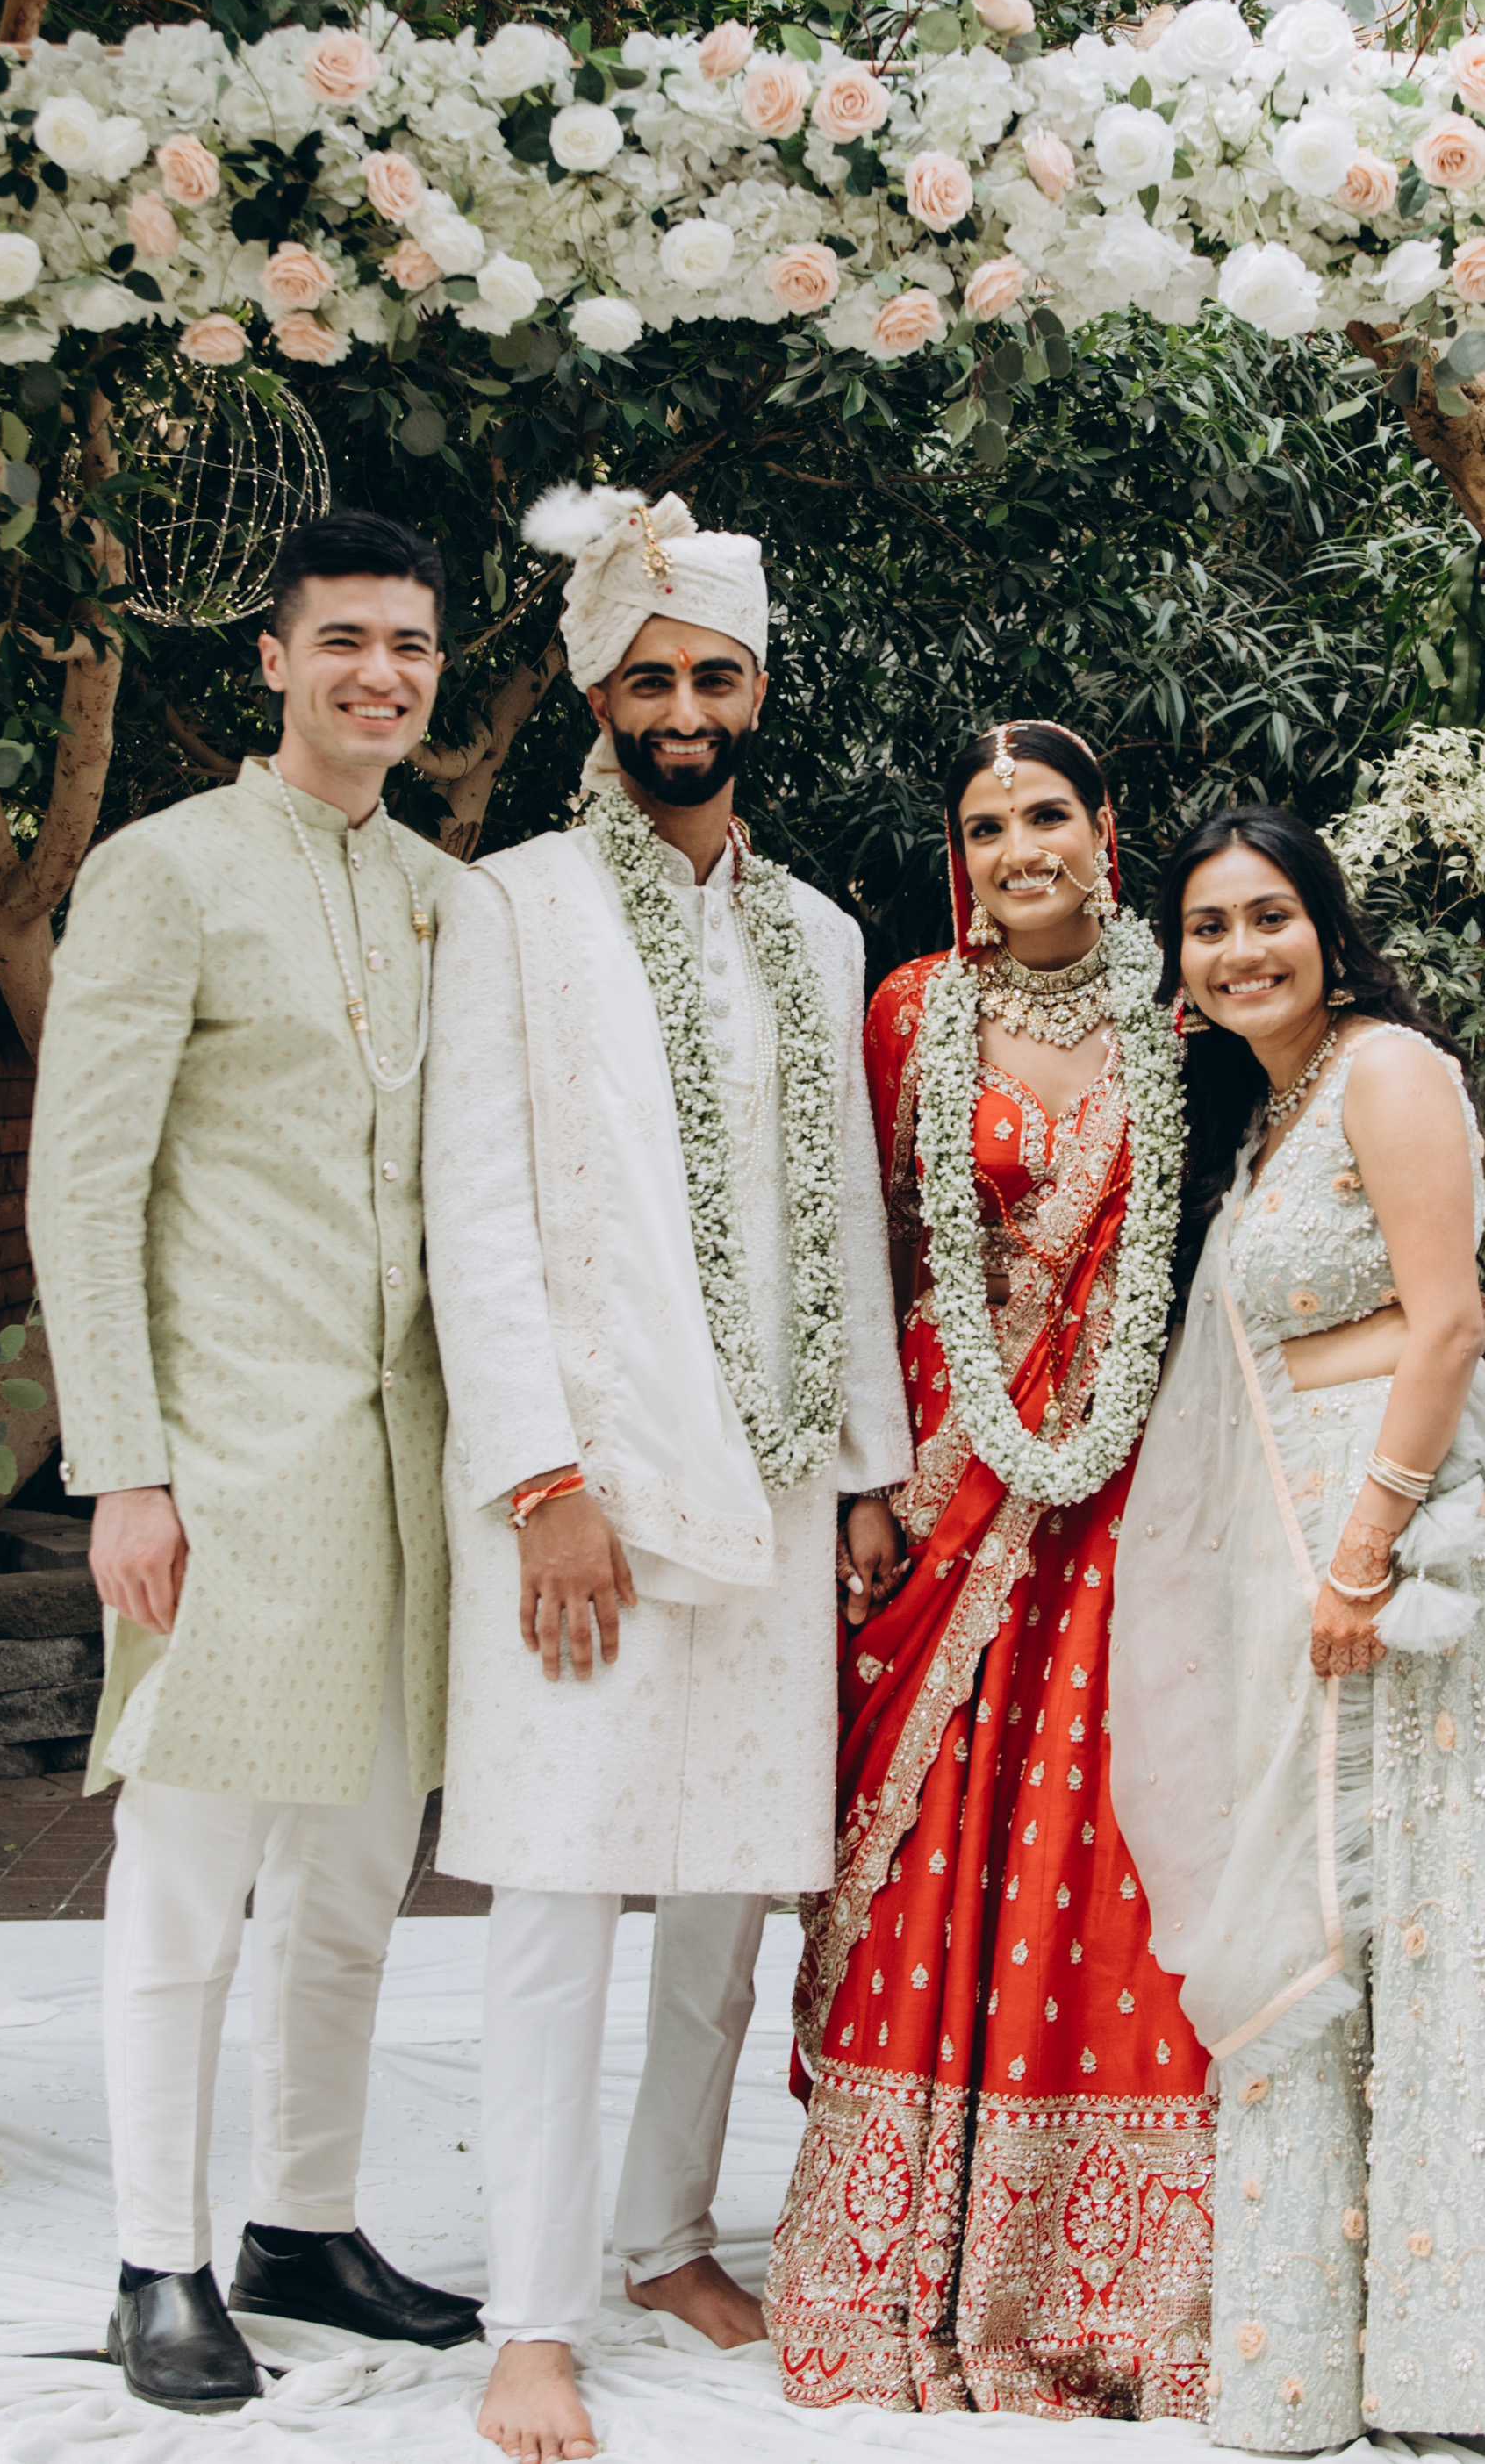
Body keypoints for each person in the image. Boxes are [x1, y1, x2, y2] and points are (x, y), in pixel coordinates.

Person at [1108, 808, 1485, 2451]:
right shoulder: (1272, 1110)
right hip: (1304, 1541)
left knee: (1422, 1902)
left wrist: (1367, 1550)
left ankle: (1472, 2333)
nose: (1240, 949)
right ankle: (1334, 2324)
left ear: (1328, 926)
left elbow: (1447, 1322)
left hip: (1402, 1550)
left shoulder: (1386, 1070)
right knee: (1345, 1905)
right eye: (1208, 927)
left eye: (1269, 915)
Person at [427, 485, 917, 2464]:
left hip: (780, 1485)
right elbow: (477, 1209)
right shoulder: (513, 906)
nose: (685, 710)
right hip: (587, 1492)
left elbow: (850, 1220)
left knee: (730, 1881)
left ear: (758, 693)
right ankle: (531, 2318)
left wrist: (868, 1470)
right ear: (597, 698)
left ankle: (661, 2239)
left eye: (715, 676)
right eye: (651, 681)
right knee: (557, 1887)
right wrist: (538, 1476)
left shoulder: (820, 931)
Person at [22, 507, 486, 2411]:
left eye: (412, 645)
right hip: (226, 1462)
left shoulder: (449, 898)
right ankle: (160, 2257)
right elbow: (82, 1184)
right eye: (346, 640)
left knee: (360, 1870)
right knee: (187, 1872)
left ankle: (306, 2223)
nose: (382, 673)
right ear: (276, 661)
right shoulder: (164, 872)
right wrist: (122, 1469)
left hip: (407, 1471)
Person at [766, 719, 1216, 2421]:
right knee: (929, 1844)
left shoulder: (1189, 1015)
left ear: (1106, 828)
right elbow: (854, 1255)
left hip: (1131, 1488)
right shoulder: (908, 1013)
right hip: (942, 1484)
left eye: (1046, 815)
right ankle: (902, 2256)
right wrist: (861, 1481)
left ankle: (1105, 2276)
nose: (1019, 847)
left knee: (1109, 1838)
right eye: (985, 824)